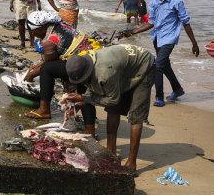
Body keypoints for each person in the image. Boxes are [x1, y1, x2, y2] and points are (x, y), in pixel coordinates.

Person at [63, 44, 156, 172]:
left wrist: (83, 98)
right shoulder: (86, 61)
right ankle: (110, 152)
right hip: (123, 67)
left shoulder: (106, 72)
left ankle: (131, 163)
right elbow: (95, 90)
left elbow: (112, 100)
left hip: (144, 66)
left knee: (136, 117)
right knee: (113, 111)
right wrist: (81, 102)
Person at [122, 0, 199, 107]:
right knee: (165, 65)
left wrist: (194, 43)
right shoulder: (154, 1)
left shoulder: (176, 1)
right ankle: (177, 89)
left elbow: (185, 23)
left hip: (169, 39)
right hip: (157, 37)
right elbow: (151, 23)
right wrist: (132, 31)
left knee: (158, 66)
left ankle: (159, 97)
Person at [23, 10, 102, 122]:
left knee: (47, 70)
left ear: (42, 26)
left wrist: (31, 75)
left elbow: (49, 63)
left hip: (83, 66)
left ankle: (44, 110)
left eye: (34, 31)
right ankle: (89, 128)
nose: (33, 34)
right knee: (83, 94)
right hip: (91, 60)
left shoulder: (50, 40)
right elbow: (52, 58)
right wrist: (35, 67)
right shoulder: (60, 26)